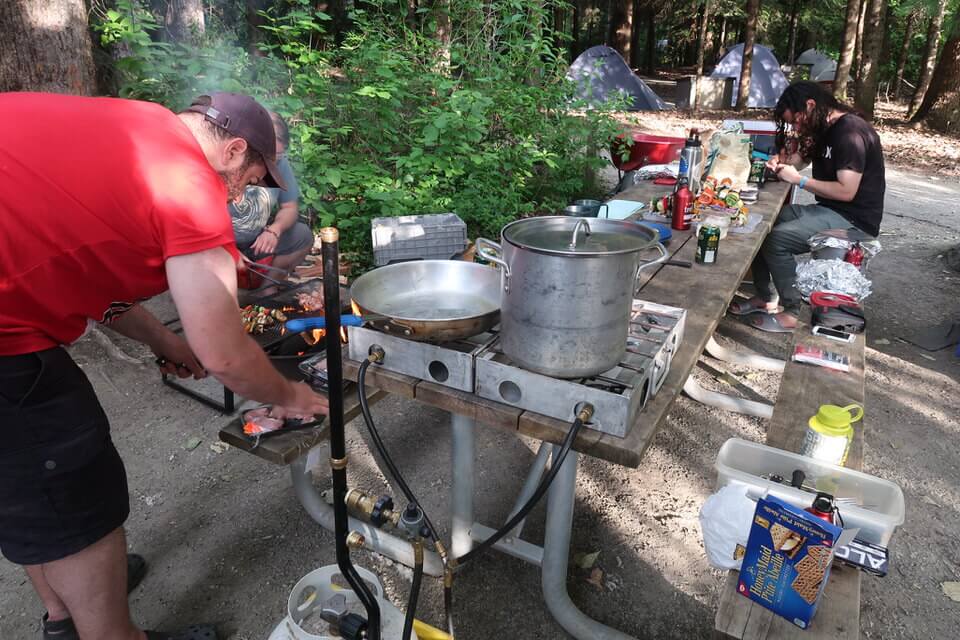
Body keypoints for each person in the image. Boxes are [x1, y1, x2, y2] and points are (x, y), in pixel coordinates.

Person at [0, 92, 329, 640]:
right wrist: (291, 397)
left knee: (34, 488)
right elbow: (225, 352)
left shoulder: (142, 123)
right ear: (233, 149)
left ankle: (65, 616)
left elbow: (87, 272)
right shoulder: (188, 183)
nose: (245, 192)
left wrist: (169, 344)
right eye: (250, 178)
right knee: (73, 491)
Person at [728, 81, 886, 332]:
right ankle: (765, 298)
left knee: (776, 239)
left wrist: (799, 181)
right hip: (830, 211)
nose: (797, 127)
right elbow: (798, 162)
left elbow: (847, 191)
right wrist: (780, 163)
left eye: (798, 120)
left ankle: (794, 311)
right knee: (760, 223)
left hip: (853, 221)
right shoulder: (825, 128)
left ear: (811, 105)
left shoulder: (850, 132)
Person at [229, 111, 313, 284]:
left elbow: (289, 207)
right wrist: (226, 248)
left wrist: (274, 230)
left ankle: (267, 288)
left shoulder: (279, 162)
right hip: (219, 245)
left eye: (278, 155)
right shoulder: (227, 162)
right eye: (269, 155)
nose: (273, 161)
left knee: (302, 235)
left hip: (257, 242)